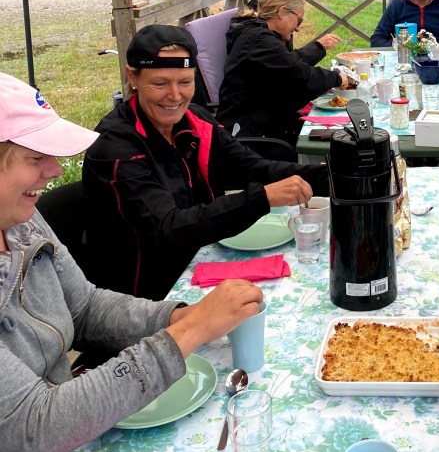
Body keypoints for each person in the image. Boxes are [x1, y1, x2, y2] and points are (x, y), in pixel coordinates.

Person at [0, 72, 263, 452]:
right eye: (34, 158)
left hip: (69, 451)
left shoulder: (21, 221)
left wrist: (176, 316)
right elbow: (34, 426)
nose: (54, 170)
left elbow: (86, 307)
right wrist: (186, 335)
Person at [82, 24, 329, 300]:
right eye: (160, 84)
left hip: (197, 259)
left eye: (185, 82)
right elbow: (168, 230)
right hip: (145, 294)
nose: (175, 96)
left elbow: (253, 168)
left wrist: (337, 177)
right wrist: (261, 198)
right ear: (133, 78)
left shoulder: (195, 119)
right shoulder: (115, 148)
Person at [217, 0, 350, 146]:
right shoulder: (259, 40)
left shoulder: (257, 34)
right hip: (246, 135)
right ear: (281, 11)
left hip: (263, 120)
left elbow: (289, 66)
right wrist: (337, 79)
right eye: (298, 20)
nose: (298, 28)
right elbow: (300, 74)